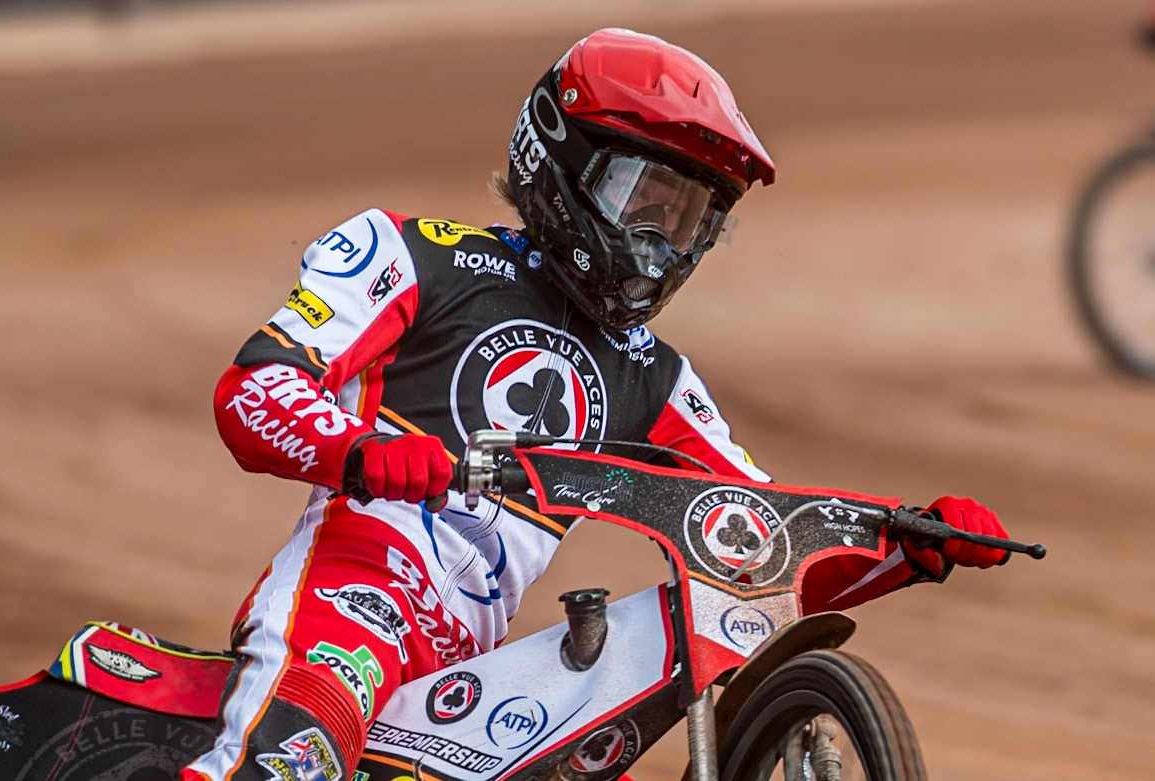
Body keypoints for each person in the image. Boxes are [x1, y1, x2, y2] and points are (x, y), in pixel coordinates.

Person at [180, 28, 1009, 781]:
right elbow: (257, 385)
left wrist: (906, 540)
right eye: (642, 197)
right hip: (349, 596)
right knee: (287, 764)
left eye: (686, 218)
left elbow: (752, 545)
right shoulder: (410, 253)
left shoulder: (656, 378)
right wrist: (359, 451)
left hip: (472, 668)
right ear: (561, 161)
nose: (659, 240)